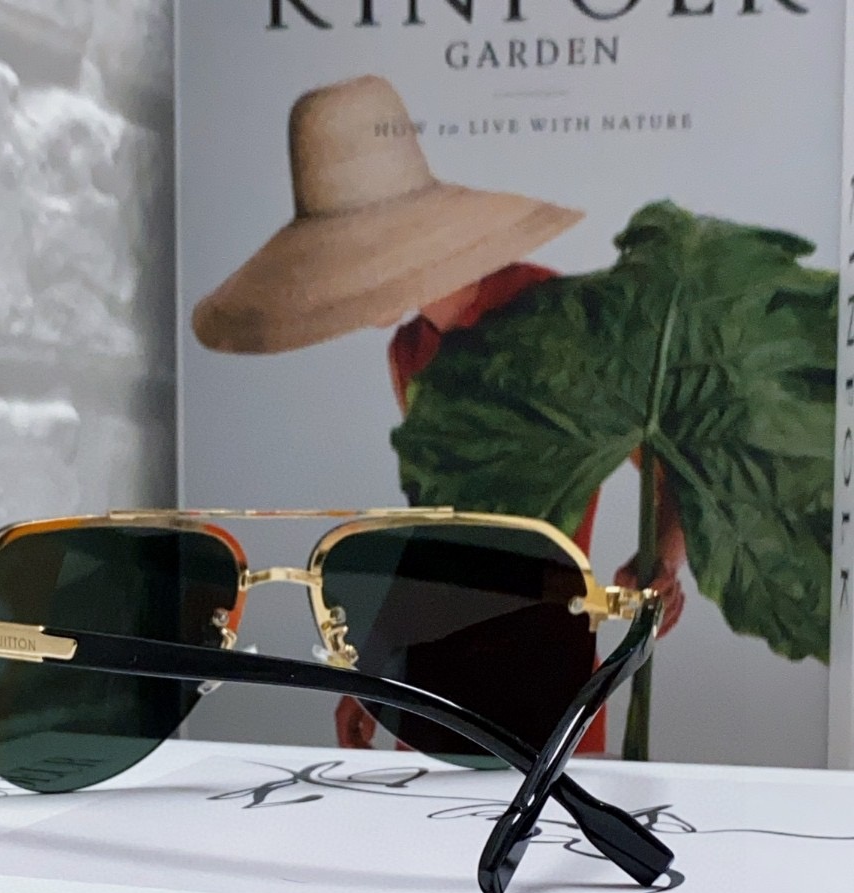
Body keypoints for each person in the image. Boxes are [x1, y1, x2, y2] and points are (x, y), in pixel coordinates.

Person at [193, 74, 686, 756]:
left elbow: (670, 461)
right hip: (435, 671)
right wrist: (374, 667)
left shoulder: (559, 323)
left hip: (548, 662)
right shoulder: (410, 351)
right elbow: (436, 533)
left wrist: (660, 562)